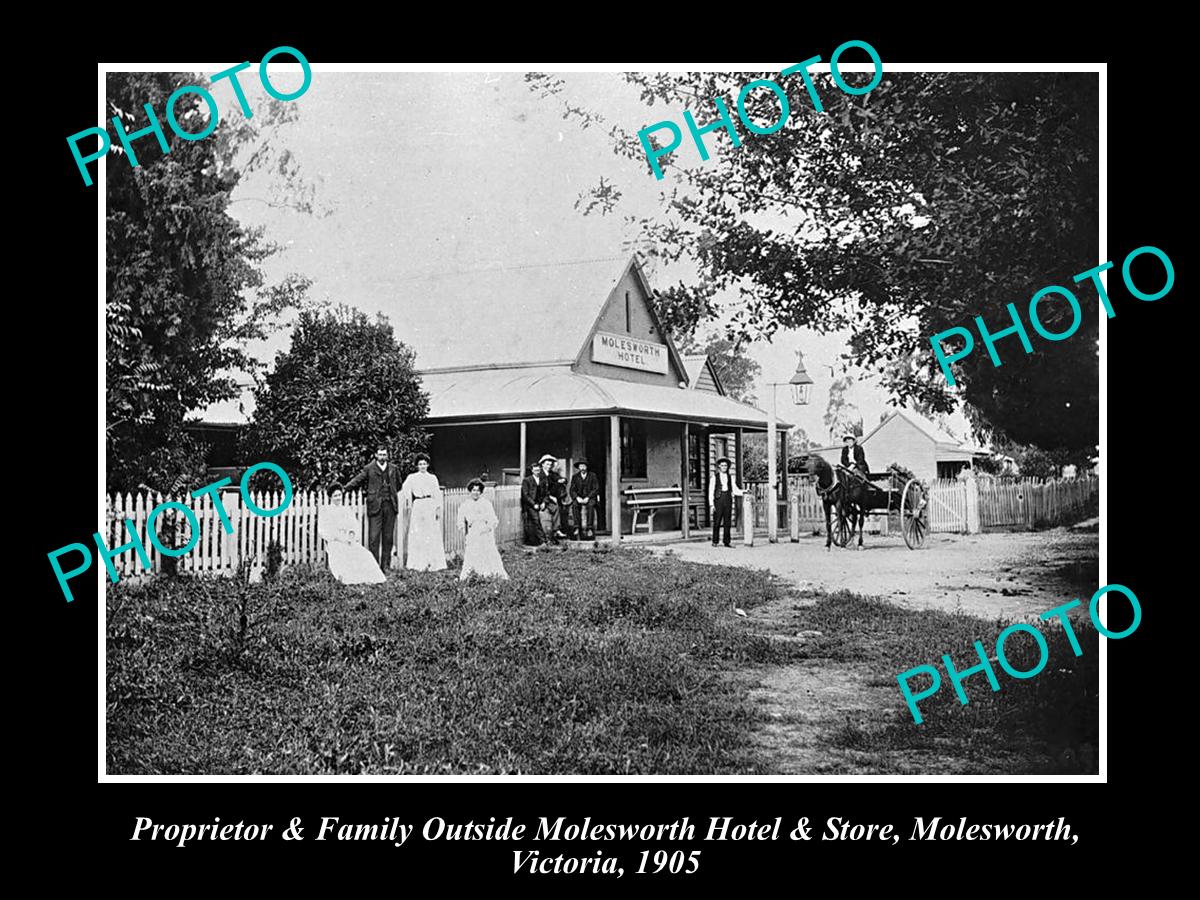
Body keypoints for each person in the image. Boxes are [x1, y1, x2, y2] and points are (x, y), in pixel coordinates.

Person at [343, 444, 403, 572]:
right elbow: (358, 480)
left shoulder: (393, 468)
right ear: (376, 455)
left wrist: (390, 494)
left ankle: (385, 566)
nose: (382, 457)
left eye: (384, 454)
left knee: (388, 537)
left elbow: (399, 485)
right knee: (374, 537)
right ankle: (374, 567)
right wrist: (344, 489)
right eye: (380, 454)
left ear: (387, 455)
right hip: (375, 506)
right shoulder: (369, 468)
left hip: (390, 506)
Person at [317, 485, 386, 584]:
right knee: (343, 553)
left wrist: (351, 536)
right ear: (330, 497)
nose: (338, 498)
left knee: (364, 554)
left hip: (348, 539)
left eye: (339, 495)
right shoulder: (326, 510)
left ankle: (366, 578)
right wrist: (337, 537)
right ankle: (349, 578)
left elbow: (354, 525)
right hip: (335, 540)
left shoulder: (346, 509)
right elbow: (323, 529)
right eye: (335, 496)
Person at [400, 452, 447, 571]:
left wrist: (437, 509)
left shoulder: (432, 478)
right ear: (417, 465)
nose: (422, 466)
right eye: (420, 464)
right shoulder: (412, 477)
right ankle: (418, 563)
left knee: (431, 534)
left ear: (427, 465)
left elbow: (437, 494)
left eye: (424, 464)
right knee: (418, 534)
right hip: (418, 505)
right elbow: (405, 490)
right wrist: (408, 501)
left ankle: (432, 562)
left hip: (430, 505)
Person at [457, 479, 509, 581]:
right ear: (470, 491)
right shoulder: (465, 504)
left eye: (478, 490)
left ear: (481, 492)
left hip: (485, 532)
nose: (475, 493)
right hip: (472, 532)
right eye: (473, 490)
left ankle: (488, 574)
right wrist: (464, 530)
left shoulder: (486, 504)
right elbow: (460, 520)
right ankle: (473, 574)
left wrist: (487, 529)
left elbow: (493, 520)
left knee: (487, 552)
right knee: (473, 552)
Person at [708, 456, 744, 548]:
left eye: (726, 466)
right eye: (722, 465)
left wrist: (744, 492)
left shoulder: (730, 477)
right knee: (717, 521)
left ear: (727, 467)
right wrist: (711, 504)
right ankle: (715, 541)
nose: (724, 467)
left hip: (728, 499)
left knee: (727, 521)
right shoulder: (714, 478)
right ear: (719, 466)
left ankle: (727, 541)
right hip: (718, 500)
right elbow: (711, 491)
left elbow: (735, 490)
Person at [539, 454, 568, 541]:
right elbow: (541, 489)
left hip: (549, 498)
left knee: (556, 508)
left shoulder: (552, 474)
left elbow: (562, 479)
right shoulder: (540, 475)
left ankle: (556, 530)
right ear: (543, 464)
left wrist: (562, 480)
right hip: (541, 498)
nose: (549, 466)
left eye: (550, 465)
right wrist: (550, 497)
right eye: (547, 464)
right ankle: (548, 535)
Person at [569, 459, 601, 539]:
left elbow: (596, 488)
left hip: (590, 498)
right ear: (578, 467)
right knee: (574, 505)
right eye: (581, 466)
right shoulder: (575, 477)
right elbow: (572, 490)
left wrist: (588, 497)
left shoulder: (592, 475)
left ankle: (589, 528)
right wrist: (577, 497)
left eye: (584, 466)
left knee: (591, 505)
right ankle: (577, 527)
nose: (582, 468)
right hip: (579, 497)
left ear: (586, 467)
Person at [520, 462, 547, 547]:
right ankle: (543, 541)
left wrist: (544, 502)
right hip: (530, 504)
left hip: (540, 503)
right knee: (536, 520)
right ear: (532, 471)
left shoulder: (543, 480)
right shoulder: (527, 480)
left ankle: (546, 539)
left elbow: (546, 493)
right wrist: (533, 504)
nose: (537, 472)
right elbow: (525, 495)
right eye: (535, 470)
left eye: (538, 470)